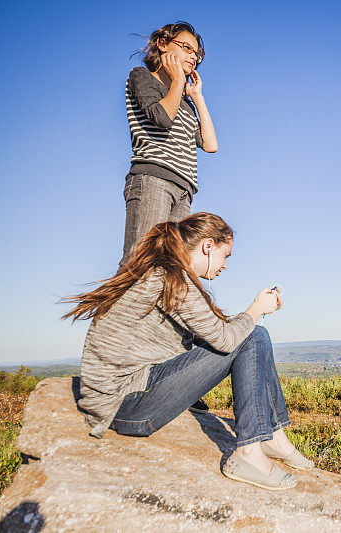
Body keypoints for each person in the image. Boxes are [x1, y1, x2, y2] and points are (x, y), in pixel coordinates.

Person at [63, 213, 313, 490]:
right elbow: (225, 340)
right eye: (225, 255)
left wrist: (250, 316)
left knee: (254, 334)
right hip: (126, 406)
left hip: (127, 396)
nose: (226, 266)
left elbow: (212, 331)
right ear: (208, 246)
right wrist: (255, 309)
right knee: (253, 335)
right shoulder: (172, 279)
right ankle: (249, 453)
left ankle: (272, 436)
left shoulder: (163, 273)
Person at [122, 21, 218, 413]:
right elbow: (159, 120)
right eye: (186, 48)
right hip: (152, 180)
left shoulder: (185, 97)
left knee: (178, 277)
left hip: (183, 190)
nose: (192, 57)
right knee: (138, 269)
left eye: (197, 54)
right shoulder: (142, 78)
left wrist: (197, 95)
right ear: (162, 45)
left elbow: (210, 145)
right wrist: (177, 78)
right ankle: (122, 372)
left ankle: (173, 379)